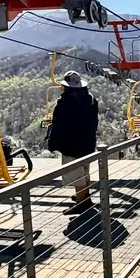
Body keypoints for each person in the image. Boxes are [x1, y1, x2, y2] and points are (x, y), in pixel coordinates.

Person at [47, 70, 99, 215]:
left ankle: (81, 203)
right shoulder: (90, 99)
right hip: (87, 142)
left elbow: (59, 125)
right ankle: (85, 197)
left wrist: (53, 142)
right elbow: (95, 121)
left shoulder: (65, 103)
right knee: (84, 170)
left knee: (76, 174)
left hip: (71, 144)